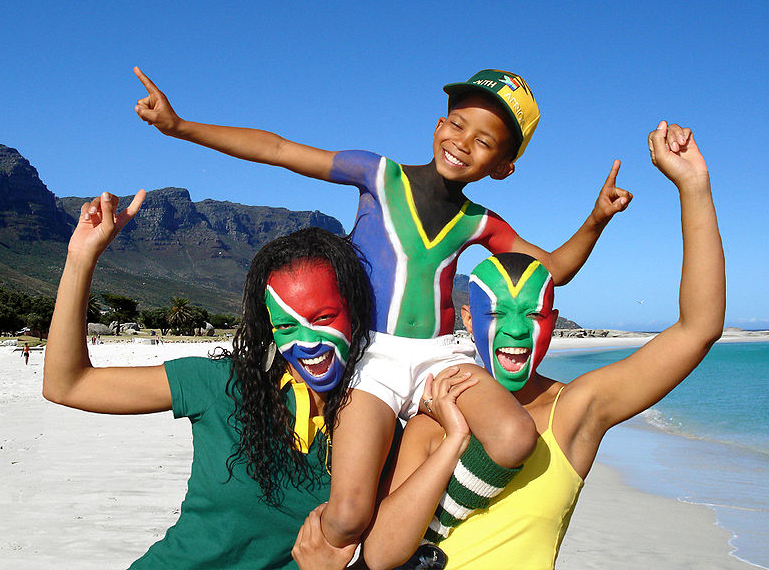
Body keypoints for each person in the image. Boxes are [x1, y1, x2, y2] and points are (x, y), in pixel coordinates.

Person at [133, 66, 633, 549]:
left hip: (440, 358)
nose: (462, 141)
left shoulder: (481, 221)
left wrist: (597, 218)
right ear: (439, 124)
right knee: (348, 516)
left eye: (484, 141)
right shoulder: (378, 175)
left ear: (502, 167)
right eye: (458, 124)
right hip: (371, 362)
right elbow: (281, 150)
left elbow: (549, 270)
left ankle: (425, 532)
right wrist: (179, 127)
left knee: (513, 436)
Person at [346, 122, 723, 570]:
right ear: (468, 319)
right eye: (497, 313)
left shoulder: (575, 411)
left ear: (554, 321)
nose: (516, 331)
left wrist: (693, 185)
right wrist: (456, 439)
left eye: (533, 314)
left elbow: (698, 329)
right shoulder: (437, 413)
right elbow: (383, 553)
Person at [42, 189, 373, 569]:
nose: (307, 342)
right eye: (286, 325)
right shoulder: (221, 384)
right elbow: (66, 384)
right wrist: (80, 258)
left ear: (357, 310)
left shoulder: (377, 422)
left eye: (324, 318)